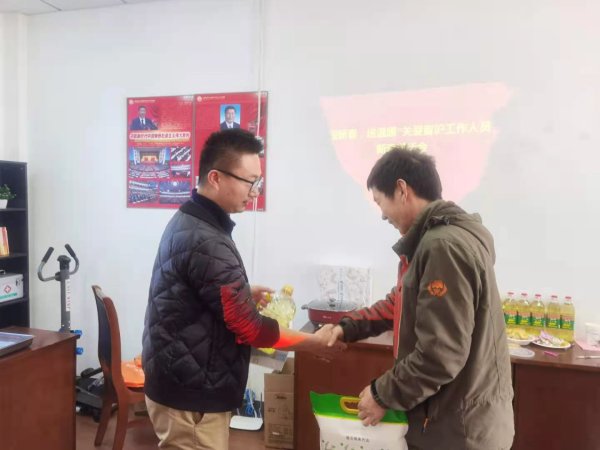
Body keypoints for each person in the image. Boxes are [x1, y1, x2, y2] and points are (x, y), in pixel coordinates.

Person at [142, 128, 345, 450]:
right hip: (191, 394)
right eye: (250, 182)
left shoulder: (192, 221)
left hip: (183, 378)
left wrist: (241, 294)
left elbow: (195, 292)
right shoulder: (206, 239)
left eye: (257, 182)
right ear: (216, 178)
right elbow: (250, 329)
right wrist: (312, 343)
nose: (255, 192)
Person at [328, 146, 514, 450]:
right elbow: (400, 302)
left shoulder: (442, 246)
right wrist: (347, 327)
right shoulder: (440, 239)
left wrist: (382, 394)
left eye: (380, 201)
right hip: (460, 421)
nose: (382, 214)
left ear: (402, 190)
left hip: (457, 431)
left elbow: (440, 354)